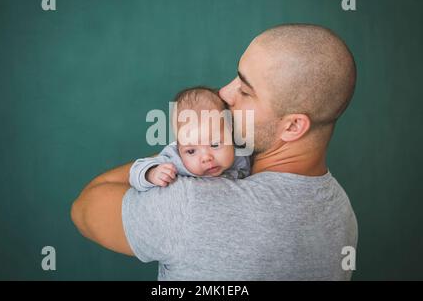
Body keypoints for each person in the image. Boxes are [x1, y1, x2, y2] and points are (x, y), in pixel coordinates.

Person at [71, 23, 358, 280]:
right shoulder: (343, 215)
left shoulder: (189, 204)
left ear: (293, 126)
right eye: (236, 78)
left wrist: (181, 153)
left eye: (245, 91)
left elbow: (85, 207)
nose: (224, 93)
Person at [129, 86, 251, 191]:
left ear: (231, 131)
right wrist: (152, 173)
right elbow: (135, 170)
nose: (206, 158)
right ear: (178, 145)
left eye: (215, 145)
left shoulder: (241, 155)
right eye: (191, 151)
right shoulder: (174, 160)